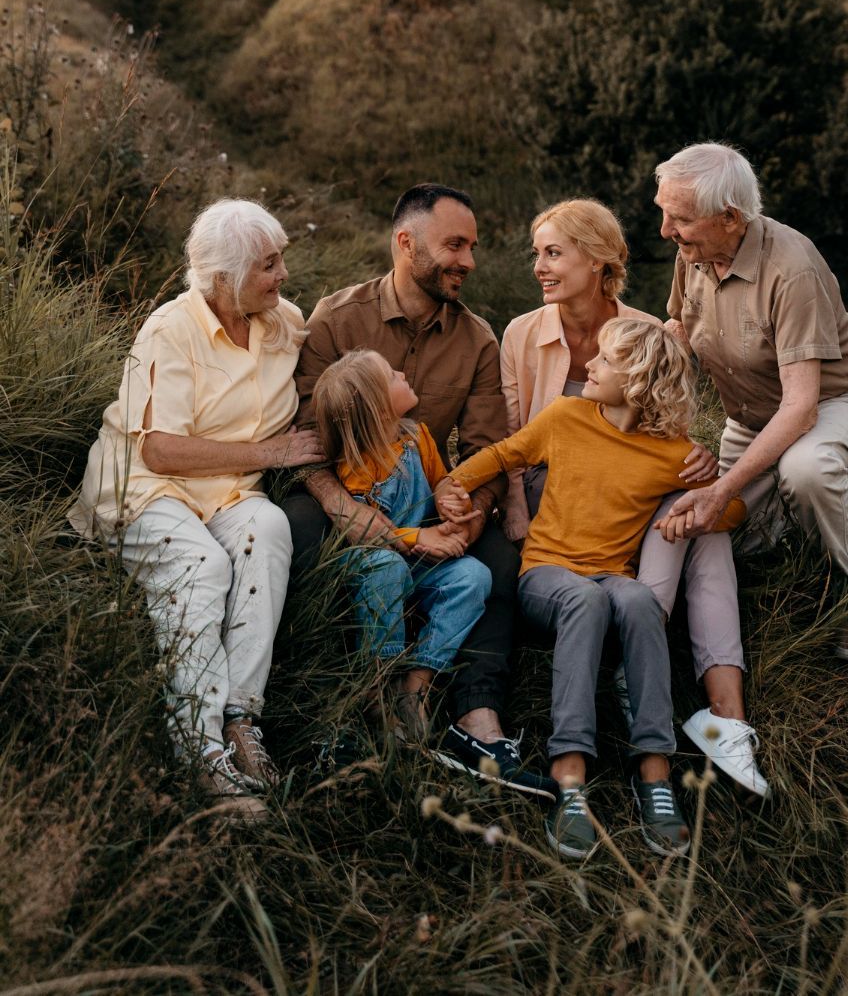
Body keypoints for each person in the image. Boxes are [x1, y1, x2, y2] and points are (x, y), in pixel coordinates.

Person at [450, 318, 760, 862]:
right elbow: (505, 455)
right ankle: (569, 778)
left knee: (639, 599)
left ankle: (655, 773)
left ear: (638, 381)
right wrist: (452, 486)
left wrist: (696, 501)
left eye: (605, 360)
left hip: (612, 577)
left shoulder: (671, 454)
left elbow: (730, 508)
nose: (588, 365)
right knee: (585, 599)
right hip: (546, 575)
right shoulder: (566, 417)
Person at [285, 182, 555, 800]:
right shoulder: (338, 318)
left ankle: (473, 718)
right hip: (340, 485)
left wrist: (470, 513)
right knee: (297, 524)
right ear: (406, 244)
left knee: (497, 559)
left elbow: (485, 450)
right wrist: (341, 506)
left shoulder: (478, 339)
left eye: (472, 247)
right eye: (454, 245)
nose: (469, 261)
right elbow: (302, 435)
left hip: (429, 492)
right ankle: (330, 696)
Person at [70, 199, 325, 817]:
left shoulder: (282, 321)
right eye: (268, 265)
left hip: (227, 492)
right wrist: (271, 450)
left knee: (268, 526)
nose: (283, 275)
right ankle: (200, 752)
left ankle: (241, 719)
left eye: (281, 259)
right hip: (143, 484)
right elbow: (159, 447)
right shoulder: (170, 330)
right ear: (222, 279)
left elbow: (332, 353)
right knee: (202, 565)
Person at [500, 198, 764, 796]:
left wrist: (701, 466)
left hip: (636, 497)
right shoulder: (521, 333)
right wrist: (514, 502)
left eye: (553, 253)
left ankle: (730, 721)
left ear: (598, 261)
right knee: (689, 513)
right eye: (536, 254)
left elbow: (663, 429)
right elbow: (509, 436)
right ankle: (638, 654)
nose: (539, 267)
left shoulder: (644, 332)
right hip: (559, 494)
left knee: (701, 518)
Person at [654, 142, 848, 664]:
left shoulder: (793, 270)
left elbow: (802, 408)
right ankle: (788, 540)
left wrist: (723, 486)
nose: (666, 230)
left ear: (730, 217)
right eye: (663, 212)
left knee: (805, 471)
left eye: (680, 219)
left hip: (837, 402)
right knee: (728, 539)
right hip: (754, 416)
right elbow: (680, 331)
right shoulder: (692, 252)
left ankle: (846, 602)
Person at [310, 349, 491, 742]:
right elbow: (369, 534)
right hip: (373, 562)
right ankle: (377, 685)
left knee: (473, 577)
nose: (402, 373)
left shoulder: (416, 436)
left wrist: (448, 497)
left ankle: (416, 684)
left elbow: (440, 478)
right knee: (385, 568)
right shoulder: (358, 466)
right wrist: (420, 537)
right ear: (376, 407)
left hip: (417, 558)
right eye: (391, 375)